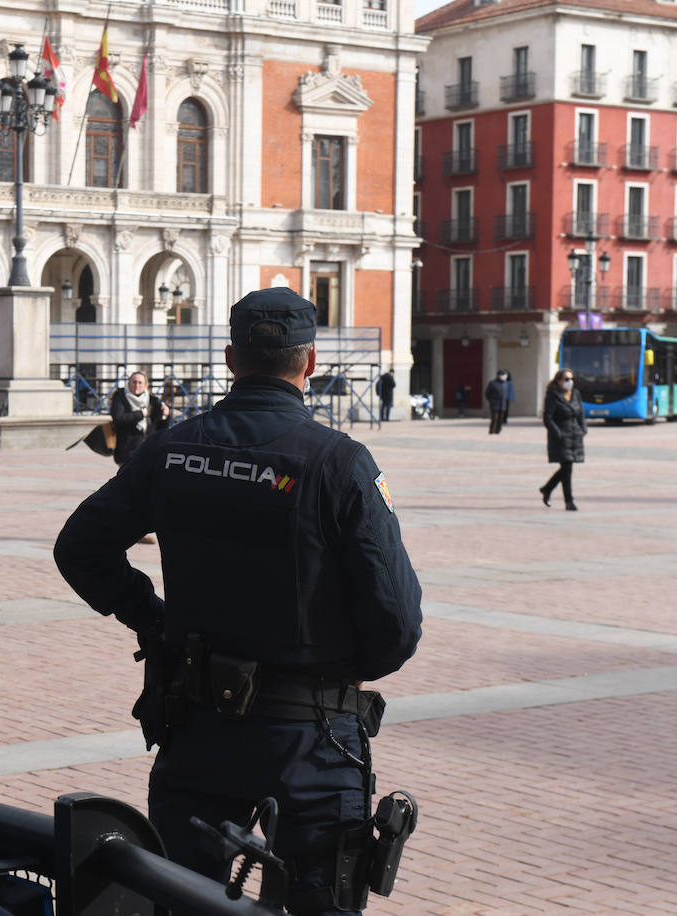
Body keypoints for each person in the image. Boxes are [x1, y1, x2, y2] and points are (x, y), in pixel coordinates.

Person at [54, 287, 423, 914]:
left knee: (185, 900)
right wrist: (342, 666)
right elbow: (397, 620)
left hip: (199, 726)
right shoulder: (340, 463)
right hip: (312, 736)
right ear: (310, 364)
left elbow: (80, 549)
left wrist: (154, 617)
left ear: (230, 359)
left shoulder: (171, 450)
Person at [539, 368, 586, 511]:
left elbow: (580, 413)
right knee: (567, 467)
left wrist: (583, 429)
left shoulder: (575, 394)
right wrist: (557, 433)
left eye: (571, 379)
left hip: (575, 436)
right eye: (566, 379)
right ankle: (569, 501)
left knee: (567, 468)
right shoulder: (553, 396)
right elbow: (547, 418)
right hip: (561, 436)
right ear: (558, 381)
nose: (569, 382)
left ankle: (547, 489)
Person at [110, 371, 169, 466]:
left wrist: (166, 415)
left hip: (149, 450)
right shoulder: (120, 397)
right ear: (129, 383)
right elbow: (118, 418)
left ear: (146, 385)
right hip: (127, 451)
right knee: (129, 480)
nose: (137, 385)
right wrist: (141, 414)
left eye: (140, 382)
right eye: (134, 382)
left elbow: (162, 426)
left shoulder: (152, 400)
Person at [484, 370, 510, 435]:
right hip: (494, 404)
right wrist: (491, 400)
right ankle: (492, 430)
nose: (504, 376)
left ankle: (498, 430)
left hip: (502, 404)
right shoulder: (493, 383)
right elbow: (487, 393)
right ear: (499, 375)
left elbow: (506, 393)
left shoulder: (505, 384)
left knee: (501, 418)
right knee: (494, 418)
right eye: (503, 375)